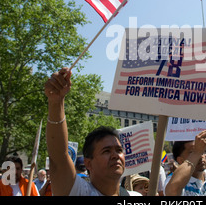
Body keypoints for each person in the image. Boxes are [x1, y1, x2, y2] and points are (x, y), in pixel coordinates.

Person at [44, 68, 139, 196]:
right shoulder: (78, 191)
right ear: (88, 163)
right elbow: (58, 158)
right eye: (106, 151)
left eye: (119, 150)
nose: (115, 155)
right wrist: (56, 102)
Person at [164, 130, 206, 196]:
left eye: (202, 151)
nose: (201, 155)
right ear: (180, 160)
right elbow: (172, 191)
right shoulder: (172, 180)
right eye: (193, 152)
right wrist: (196, 152)